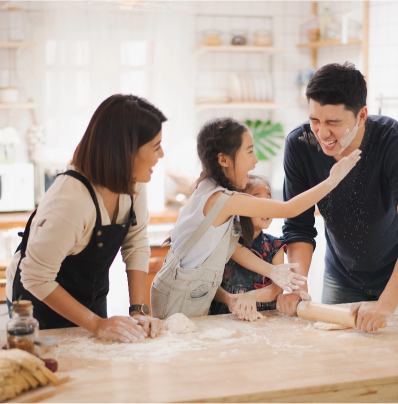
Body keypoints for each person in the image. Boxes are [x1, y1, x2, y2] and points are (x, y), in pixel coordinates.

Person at [151, 117, 361, 320]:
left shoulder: (207, 188)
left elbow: (234, 249)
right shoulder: (221, 199)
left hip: (178, 296)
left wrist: (272, 270)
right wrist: (333, 180)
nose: (255, 160)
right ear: (223, 160)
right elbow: (290, 208)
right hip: (178, 301)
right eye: (249, 152)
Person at [278, 62, 398, 332]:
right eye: (315, 120)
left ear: (361, 115)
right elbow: (298, 227)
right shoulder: (300, 145)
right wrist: (296, 285)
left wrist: (385, 304)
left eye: (333, 123)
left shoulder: (395, 143)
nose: (322, 133)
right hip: (341, 275)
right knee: (338, 362)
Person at [6, 94, 165, 342]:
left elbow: (135, 243)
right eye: (156, 147)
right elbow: (35, 277)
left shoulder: (133, 181)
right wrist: (96, 324)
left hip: (91, 303)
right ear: (127, 152)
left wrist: (138, 311)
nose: (162, 154)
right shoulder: (71, 200)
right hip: (38, 304)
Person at [210, 175, 286, 321]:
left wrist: (250, 296)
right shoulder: (224, 241)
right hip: (224, 318)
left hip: (264, 320)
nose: (266, 209)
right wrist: (229, 299)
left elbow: (277, 289)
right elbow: (210, 285)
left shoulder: (276, 246)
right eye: (257, 203)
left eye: (269, 202)